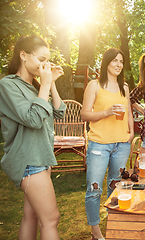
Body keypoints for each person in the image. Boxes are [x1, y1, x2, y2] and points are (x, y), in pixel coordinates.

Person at [0, 36, 65, 239]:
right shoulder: (8, 85)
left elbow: (59, 112)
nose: (45, 65)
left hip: (41, 158)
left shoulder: (36, 86)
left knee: (31, 216)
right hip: (29, 160)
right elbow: (34, 119)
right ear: (23, 56)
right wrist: (44, 85)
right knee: (51, 219)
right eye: (41, 59)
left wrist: (50, 83)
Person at [81, 48, 134, 240]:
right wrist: (107, 112)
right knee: (94, 190)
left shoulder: (124, 87)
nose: (118, 64)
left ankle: (113, 224)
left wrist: (131, 132)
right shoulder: (94, 85)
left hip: (121, 144)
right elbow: (84, 114)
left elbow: (128, 111)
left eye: (121, 61)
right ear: (106, 63)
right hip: (99, 145)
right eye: (114, 61)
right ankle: (96, 233)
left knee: (116, 187)